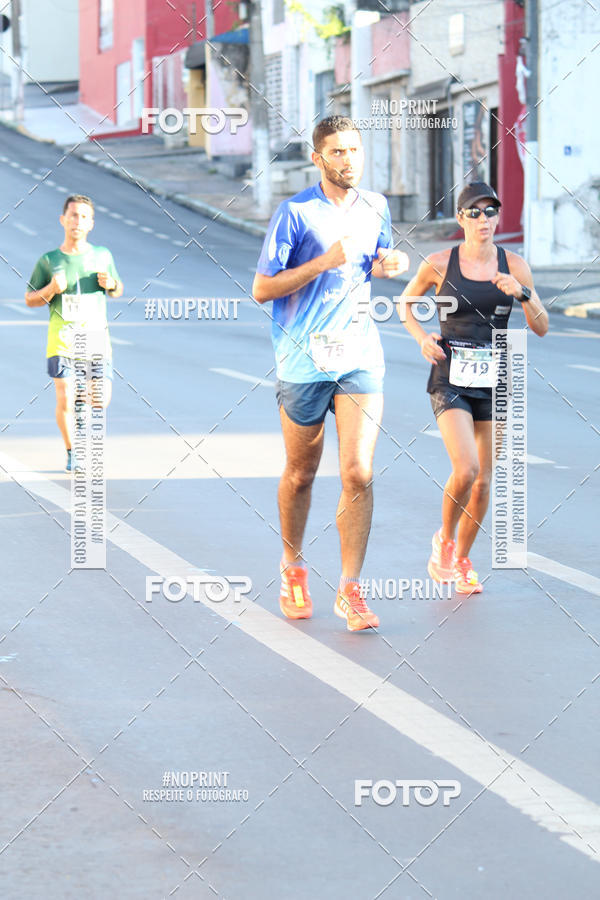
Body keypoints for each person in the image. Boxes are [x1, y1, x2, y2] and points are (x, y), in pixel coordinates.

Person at [253, 115, 409, 631]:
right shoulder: (294, 214)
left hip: (360, 354)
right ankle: (293, 565)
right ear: (318, 159)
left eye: (355, 150)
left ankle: (350, 588)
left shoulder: (377, 207)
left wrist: (391, 264)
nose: (348, 160)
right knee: (301, 472)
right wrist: (321, 263)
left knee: (358, 472)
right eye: (337, 152)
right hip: (302, 358)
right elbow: (263, 289)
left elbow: (375, 259)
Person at [398, 182, 548, 593]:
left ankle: (463, 559)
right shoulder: (438, 263)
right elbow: (405, 303)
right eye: (475, 212)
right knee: (466, 468)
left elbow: (541, 327)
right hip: (450, 375)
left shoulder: (513, 264)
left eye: (491, 211)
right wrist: (421, 337)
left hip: (496, 377)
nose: (485, 219)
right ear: (461, 218)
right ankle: (444, 541)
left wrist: (524, 294)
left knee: (484, 480)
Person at [25, 195, 123, 471]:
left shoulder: (102, 256)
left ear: (91, 223)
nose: (77, 221)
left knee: (99, 398)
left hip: (94, 338)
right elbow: (30, 299)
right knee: (66, 395)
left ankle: (84, 426)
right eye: (73, 215)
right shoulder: (49, 260)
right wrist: (51, 290)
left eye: (83, 216)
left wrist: (112, 283)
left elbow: (118, 290)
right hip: (63, 338)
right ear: (63, 220)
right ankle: (73, 452)